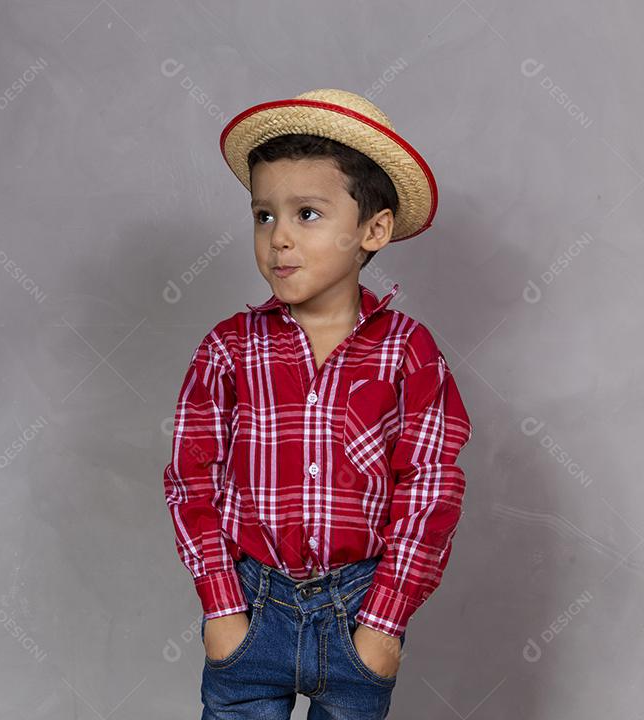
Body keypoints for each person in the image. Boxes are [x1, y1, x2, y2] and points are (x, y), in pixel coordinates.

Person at [163, 88, 474, 719]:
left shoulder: (408, 352)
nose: (278, 238)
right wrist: (222, 607)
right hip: (253, 605)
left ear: (373, 229)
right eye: (263, 215)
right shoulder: (229, 349)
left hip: (360, 609)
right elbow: (191, 480)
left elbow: (430, 487)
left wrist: (384, 623)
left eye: (307, 214)